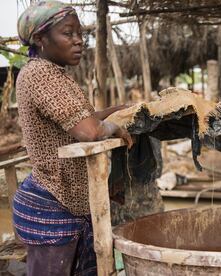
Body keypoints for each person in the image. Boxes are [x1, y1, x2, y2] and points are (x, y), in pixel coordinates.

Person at [13, 1, 132, 275]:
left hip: (65, 202)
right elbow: (91, 131)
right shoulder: (42, 75)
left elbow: (82, 120)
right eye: (68, 33)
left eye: (81, 33)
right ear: (41, 39)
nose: (79, 41)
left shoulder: (52, 73)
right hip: (53, 203)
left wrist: (116, 111)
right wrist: (114, 124)